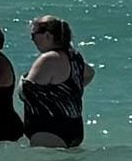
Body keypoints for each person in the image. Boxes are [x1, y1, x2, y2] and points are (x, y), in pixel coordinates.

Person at [21, 17, 94, 149]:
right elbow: (89, 73)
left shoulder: (48, 59)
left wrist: (22, 81)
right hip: (74, 127)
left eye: (34, 35)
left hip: (49, 129)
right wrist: (67, 93)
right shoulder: (74, 57)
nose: (32, 40)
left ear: (48, 36)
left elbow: (26, 92)